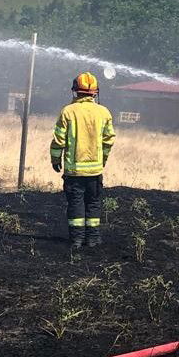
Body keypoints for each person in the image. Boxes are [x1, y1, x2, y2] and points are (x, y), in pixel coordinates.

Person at [50, 72, 116, 250]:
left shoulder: (68, 111)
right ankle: (93, 239)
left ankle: (77, 240)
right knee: (93, 203)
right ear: (95, 93)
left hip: (74, 172)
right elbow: (109, 139)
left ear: (74, 92)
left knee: (76, 203)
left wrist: (55, 159)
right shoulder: (103, 112)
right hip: (95, 172)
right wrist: (102, 159)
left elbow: (58, 140)